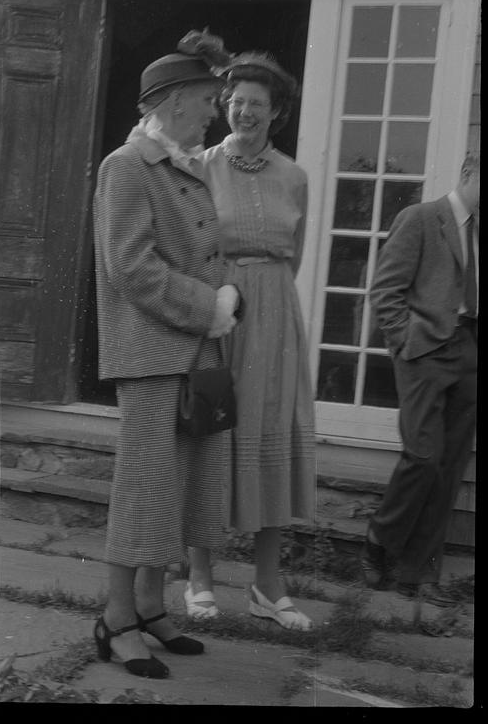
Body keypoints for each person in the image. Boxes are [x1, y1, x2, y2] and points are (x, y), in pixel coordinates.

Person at [91, 33, 242, 678]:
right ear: (176, 101)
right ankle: (116, 618)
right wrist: (208, 304)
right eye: (209, 99)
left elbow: (201, 251)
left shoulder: (184, 166)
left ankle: (151, 609)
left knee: (179, 489)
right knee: (145, 488)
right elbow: (132, 269)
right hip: (151, 352)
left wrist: (226, 294)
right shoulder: (125, 167)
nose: (216, 111)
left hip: (194, 351)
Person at [186, 51, 316, 631]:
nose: (244, 112)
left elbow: (295, 256)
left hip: (276, 319)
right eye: (236, 102)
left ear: (277, 112)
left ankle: (267, 587)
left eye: (257, 104)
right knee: (211, 435)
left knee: (271, 436)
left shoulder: (295, 177)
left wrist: (268, 299)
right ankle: (200, 579)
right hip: (219, 312)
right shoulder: (199, 166)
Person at [362, 153, 480, 606]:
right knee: (424, 457)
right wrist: (405, 344)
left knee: (449, 468)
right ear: (467, 173)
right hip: (427, 351)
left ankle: (419, 572)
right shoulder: (422, 219)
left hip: (471, 350)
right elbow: (385, 290)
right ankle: (381, 536)